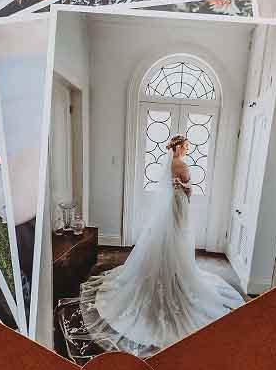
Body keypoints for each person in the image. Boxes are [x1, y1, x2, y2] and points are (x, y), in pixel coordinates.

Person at [79, 135, 244, 356]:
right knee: (178, 240)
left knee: (165, 241)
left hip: (168, 209)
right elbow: (190, 191)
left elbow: (170, 186)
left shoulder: (168, 165)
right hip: (179, 208)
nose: (186, 150)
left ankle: (166, 273)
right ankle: (175, 277)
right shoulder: (182, 165)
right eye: (185, 146)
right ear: (178, 147)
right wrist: (186, 187)